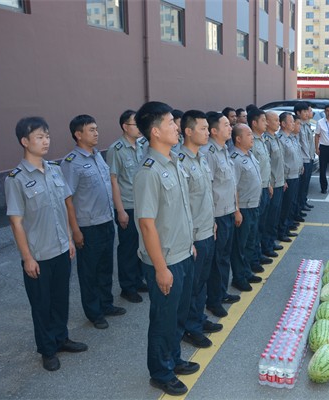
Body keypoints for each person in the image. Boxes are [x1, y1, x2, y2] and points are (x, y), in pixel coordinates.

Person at [5, 117, 88, 372]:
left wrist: (69, 239)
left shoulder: (54, 169)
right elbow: (16, 222)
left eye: (48, 136)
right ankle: (47, 349)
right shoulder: (16, 179)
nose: (46, 141)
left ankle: (61, 338)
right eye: (40, 137)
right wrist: (27, 257)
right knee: (41, 305)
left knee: (60, 299)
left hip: (61, 249)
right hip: (38, 255)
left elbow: (63, 206)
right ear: (25, 141)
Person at [133, 101, 200, 396]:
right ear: (156, 132)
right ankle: (160, 372)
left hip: (183, 253)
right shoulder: (149, 172)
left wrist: (190, 244)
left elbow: (180, 210)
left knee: (177, 315)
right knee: (163, 319)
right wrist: (160, 268)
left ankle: (174, 358)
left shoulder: (173, 161)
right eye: (171, 122)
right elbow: (147, 225)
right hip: (165, 260)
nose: (177, 126)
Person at [61, 115, 125, 330]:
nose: (96, 133)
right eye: (91, 130)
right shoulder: (71, 162)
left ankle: (106, 304)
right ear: (78, 134)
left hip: (106, 220)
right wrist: (75, 231)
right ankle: (94, 312)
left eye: (96, 129)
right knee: (89, 272)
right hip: (88, 226)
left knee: (106, 267)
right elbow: (67, 199)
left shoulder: (98, 156)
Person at [177, 110, 223, 349]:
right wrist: (189, 239)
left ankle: (198, 318)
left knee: (202, 281)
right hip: (193, 235)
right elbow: (180, 205)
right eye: (203, 129)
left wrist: (212, 220)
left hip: (207, 229)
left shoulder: (201, 158)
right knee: (192, 285)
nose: (207, 133)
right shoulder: (180, 162)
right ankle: (190, 328)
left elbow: (205, 195)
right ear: (188, 131)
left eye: (207, 128)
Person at [106, 110, 148, 304]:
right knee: (128, 248)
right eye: (135, 124)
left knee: (141, 245)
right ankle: (127, 287)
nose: (139, 128)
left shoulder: (141, 146)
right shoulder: (116, 149)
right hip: (127, 205)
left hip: (141, 205)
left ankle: (138, 280)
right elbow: (113, 181)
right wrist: (120, 210)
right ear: (125, 126)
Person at [201, 111, 239, 318]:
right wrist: (212, 219)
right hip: (216, 214)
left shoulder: (224, 150)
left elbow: (230, 183)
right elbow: (207, 188)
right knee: (216, 261)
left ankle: (221, 292)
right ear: (214, 130)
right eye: (226, 125)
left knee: (224, 256)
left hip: (228, 211)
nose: (230, 127)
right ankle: (213, 300)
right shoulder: (208, 153)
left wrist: (236, 208)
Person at [230, 123, 263, 292]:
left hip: (254, 205)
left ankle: (246, 271)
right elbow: (233, 186)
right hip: (243, 207)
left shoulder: (249, 154)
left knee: (250, 242)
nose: (252, 138)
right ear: (238, 139)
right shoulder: (235, 159)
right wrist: (236, 210)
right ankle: (239, 277)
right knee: (240, 246)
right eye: (248, 135)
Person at [247, 108, 274, 270]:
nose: (266, 123)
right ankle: (253, 260)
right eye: (263, 120)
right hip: (255, 192)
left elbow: (264, 166)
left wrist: (268, 183)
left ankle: (259, 253)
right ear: (254, 123)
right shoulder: (250, 142)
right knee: (254, 228)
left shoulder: (262, 139)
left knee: (261, 224)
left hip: (264, 187)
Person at [262, 111, 286, 257]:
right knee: (270, 217)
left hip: (279, 181)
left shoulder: (275, 138)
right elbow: (267, 165)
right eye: (275, 120)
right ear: (267, 122)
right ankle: (266, 245)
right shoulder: (266, 140)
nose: (278, 123)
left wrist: (283, 180)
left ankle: (271, 241)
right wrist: (270, 183)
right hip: (272, 183)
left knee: (275, 215)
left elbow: (279, 162)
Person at [277, 112, 302, 240]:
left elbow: (296, 154)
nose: (293, 124)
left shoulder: (291, 137)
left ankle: (287, 227)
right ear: (283, 124)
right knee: (285, 206)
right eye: (291, 122)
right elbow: (280, 161)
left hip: (295, 174)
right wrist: (284, 178)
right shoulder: (280, 139)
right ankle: (282, 231)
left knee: (290, 204)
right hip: (288, 176)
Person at [294, 102, 314, 217]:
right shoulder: (298, 126)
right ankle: (299, 206)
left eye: (308, 111)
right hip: (303, 160)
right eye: (305, 111)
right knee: (301, 186)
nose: (307, 113)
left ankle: (303, 202)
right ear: (298, 113)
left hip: (309, 158)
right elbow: (299, 145)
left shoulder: (306, 125)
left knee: (306, 184)